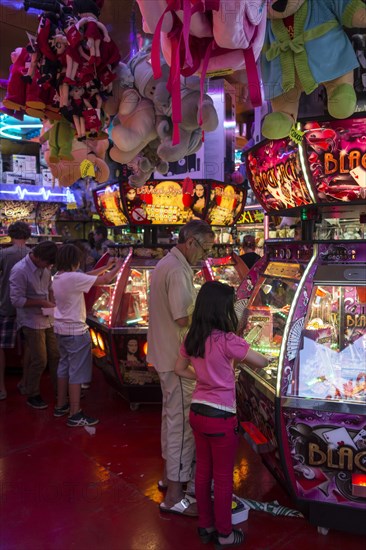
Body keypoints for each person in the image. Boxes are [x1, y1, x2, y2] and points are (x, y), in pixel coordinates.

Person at [175, 281, 268, 547]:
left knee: (202, 472)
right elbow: (262, 361)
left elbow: (178, 368)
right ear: (222, 310)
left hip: (197, 412)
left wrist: (203, 379)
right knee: (224, 478)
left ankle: (205, 526)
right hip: (221, 415)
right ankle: (225, 534)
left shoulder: (191, 336)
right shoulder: (228, 340)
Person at [147, 219, 215, 516]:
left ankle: (168, 477)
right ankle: (174, 496)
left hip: (166, 356)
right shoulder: (177, 269)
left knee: (171, 419)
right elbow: (183, 319)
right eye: (206, 248)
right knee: (182, 428)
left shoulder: (169, 263)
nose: (206, 255)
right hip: (177, 360)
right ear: (191, 242)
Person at [52, 244, 123, 427]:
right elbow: (106, 280)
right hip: (76, 331)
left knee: (64, 367)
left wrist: (108, 265)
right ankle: (75, 413)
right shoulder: (73, 278)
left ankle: (61, 405)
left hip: (60, 329)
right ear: (75, 261)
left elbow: (88, 276)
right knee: (76, 373)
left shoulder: (59, 276)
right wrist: (120, 266)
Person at [10, 241, 60, 409]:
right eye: (48, 262)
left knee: (56, 355)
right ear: (38, 257)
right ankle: (32, 393)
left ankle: (59, 389)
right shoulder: (20, 270)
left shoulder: (45, 268)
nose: (49, 266)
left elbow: (50, 287)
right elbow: (16, 300)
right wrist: (41, 302)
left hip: (48, 317)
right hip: (31, 320)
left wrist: (52, 301)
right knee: (40, 359)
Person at [0, 221, 32, 400]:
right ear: (27, 235)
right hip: (28, 306)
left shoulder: (3, 254)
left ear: (10, 234)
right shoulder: (33, 254)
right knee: (28, 345)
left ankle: (2, 388)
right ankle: (25, 383)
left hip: (6, 305)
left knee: (0, 347)